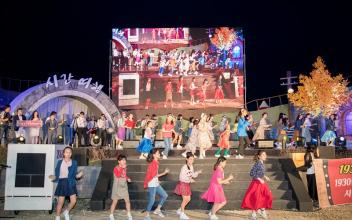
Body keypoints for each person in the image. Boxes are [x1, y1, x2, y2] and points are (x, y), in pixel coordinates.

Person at [50, 147, 83, 220]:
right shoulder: (59, 162)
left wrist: (78, 176)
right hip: (62, 182)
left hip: (71, 182)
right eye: (66, 152)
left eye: (70, 152)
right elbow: (57, 174)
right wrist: (54, 177)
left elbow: (75, 175)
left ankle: (66, 212)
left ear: (71, 154)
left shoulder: (74, 162)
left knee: (73, 201)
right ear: (64, 153)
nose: (68, 154)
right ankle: (57, 217)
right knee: (60, 202)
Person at [241, 150, 273, 220]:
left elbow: (259, 172)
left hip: (261, 183)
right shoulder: (257, 163)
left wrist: (264, 176)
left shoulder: (261, 163)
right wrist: (259, 179)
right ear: (259, 156)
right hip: (256, 183)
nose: (265, 156)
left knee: (267, 195)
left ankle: (262, 210)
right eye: (263, 155)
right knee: (255, 198)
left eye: (265, 154)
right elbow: (252, 173)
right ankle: (254, 214)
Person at [174, 152, 202, 220]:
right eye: (190, 159)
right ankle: (182, 214)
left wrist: (197, 173)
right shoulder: (184, 167)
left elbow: (192, 175)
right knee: (185, 200)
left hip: (187, 185)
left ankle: (180, 210)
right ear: (187, 159)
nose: (192, 161)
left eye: (193, 159)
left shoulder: (191, 166)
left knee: (188, 199)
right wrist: (190, 180)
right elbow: (181, 178)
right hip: (183, 184)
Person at [143, 148, 169, 220]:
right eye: (157, 153)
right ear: (154, 155)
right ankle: (146, 215)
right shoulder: (153, 163)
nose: (159, 154)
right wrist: (165, 172)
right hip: (152, 184)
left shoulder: (156, 162)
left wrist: (157, 181)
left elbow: (154, 174)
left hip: (155, 183)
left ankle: (157, 210)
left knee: (164, 195)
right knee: (152, 200)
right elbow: (154, 175)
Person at [109, 154, 133, 220]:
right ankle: (111, 215)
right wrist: (122, 168)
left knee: (127, 201)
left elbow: (124, 175)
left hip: (124, 187)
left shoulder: (125, 167)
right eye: (122, 160)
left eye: (125, 160)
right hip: (117, 187)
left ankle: (129, 214)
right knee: (114, 202)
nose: (124, 161)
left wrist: (127, 178)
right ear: (118, 161)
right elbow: (118, 175)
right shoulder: (116, 168)